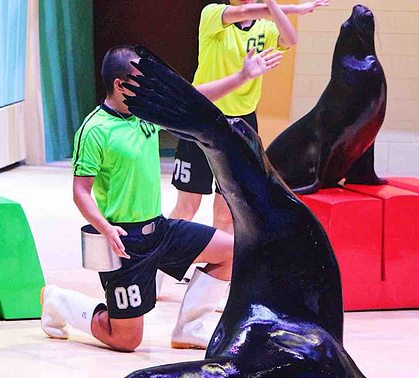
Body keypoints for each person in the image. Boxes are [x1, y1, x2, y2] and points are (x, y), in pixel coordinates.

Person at [40, 42, 283, 352]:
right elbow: (81, 192)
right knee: (126, 340)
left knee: (231, 251)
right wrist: (105, 228)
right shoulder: (94, 130)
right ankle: (59, 300)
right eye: (141, 82)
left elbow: (193, 99)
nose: (148, 89)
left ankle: (189, 329)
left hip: (160, 230)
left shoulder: (145, 115)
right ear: (120, 85)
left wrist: (242, 76)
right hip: (123, 242)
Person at [169, 0, 330, 235]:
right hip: (201, 117)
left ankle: (219, 259)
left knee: (226, 212)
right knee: (187, 208)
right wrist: (295, 8)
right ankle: (163, 256)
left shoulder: (265, 27)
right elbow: (244, 11)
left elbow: (291, 39)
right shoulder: (213, 14)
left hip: (241, 124)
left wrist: (273, 4)